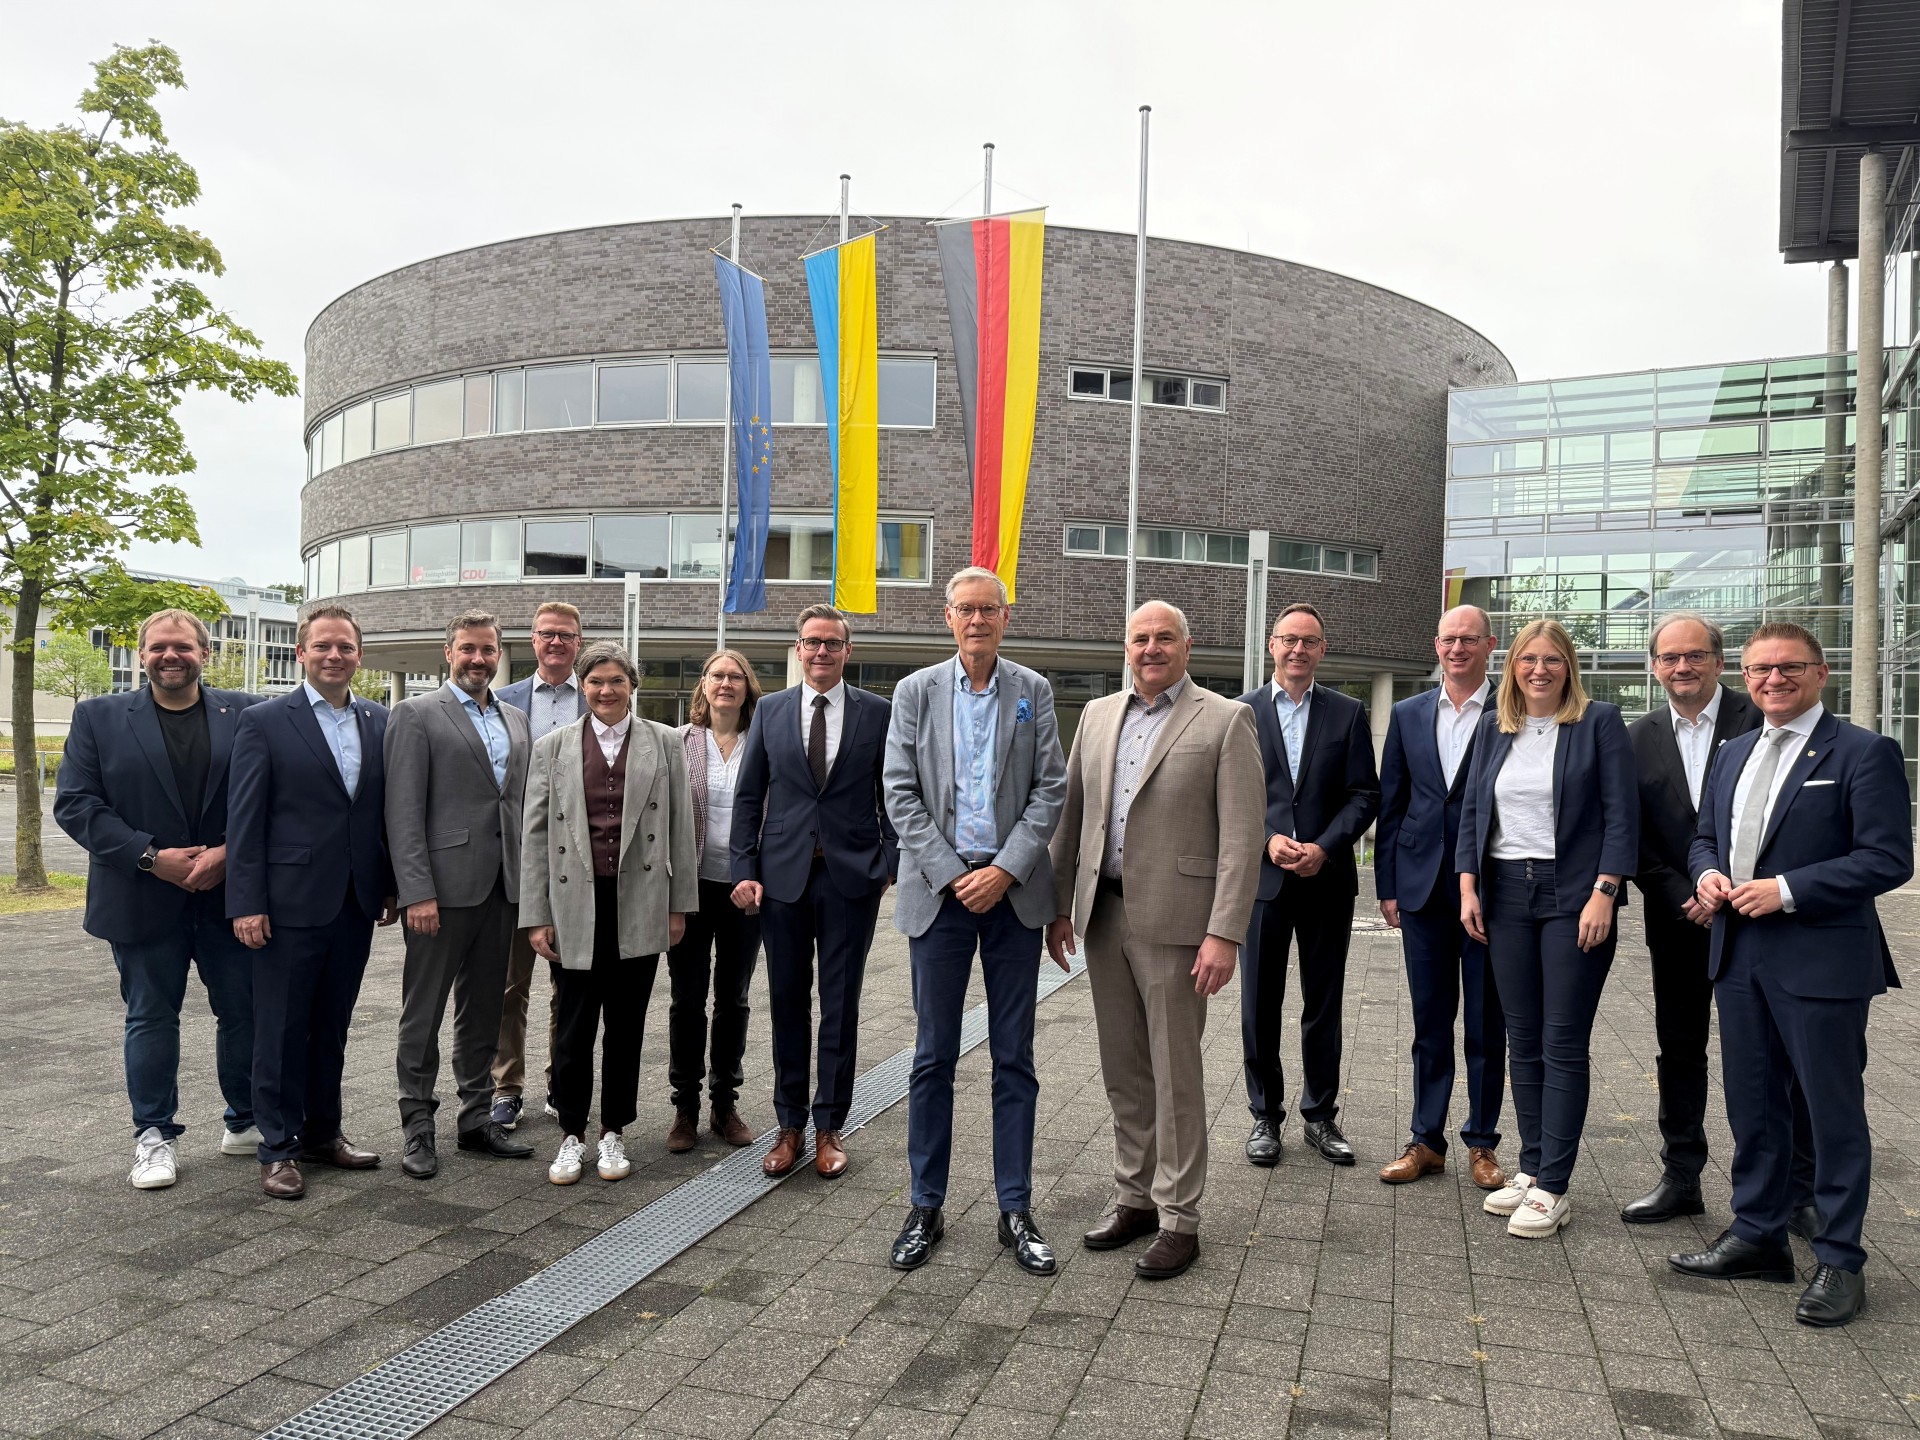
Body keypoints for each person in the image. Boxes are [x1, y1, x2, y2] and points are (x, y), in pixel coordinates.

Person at [1673, 622, 1911, 1328]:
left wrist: (1787, 888)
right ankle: (1758, 1236)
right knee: (1754, 1105)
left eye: (1788, 668)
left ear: (1821, 672)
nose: (1772, 680)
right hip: (1738, 955)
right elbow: (1704, 836)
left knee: (1830, 1114)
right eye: (1758, 670)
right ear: (1742, 677)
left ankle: (1840, 1257)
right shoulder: (1734, 751)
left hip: (1820, 960)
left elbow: (1888, 858)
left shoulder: (1865, 753)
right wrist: (1708, 872)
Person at [1047, 601, 1263, 1280]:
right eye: (1139, 637)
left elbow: (1242, 839)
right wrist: (1060, 909)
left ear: (1187, 646)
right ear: (1126, 646)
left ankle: (1179, 1218)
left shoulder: (1226, 720)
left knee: (1175, 1074)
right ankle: (1134, 1196)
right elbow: (1072, 818)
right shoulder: (1098, 716)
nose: (1151, 648)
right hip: (1104, 917)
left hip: (1178, 926)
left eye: (1163, 637)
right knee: (1124, 1072)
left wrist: (1224, 933)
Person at [882, 567, 1068, 1274]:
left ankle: (1014, 1207)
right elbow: (899, 792)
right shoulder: (915, 693)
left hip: (1013, 893)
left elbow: (1051, 788)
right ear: (948, 617)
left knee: (1014, 1057)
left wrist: (1006, 869)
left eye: (989, 608)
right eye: (966, 609)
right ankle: (925, 1204)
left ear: (1005, 617)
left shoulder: (1034, 691)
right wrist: (956, 874)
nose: (978, 619)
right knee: (932, 1057)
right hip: (941, 895)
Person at [54, 609, 263, 1189]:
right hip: (141, 897)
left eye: (184, 647)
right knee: (151, 1017)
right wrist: (152, 858)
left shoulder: (246, 713)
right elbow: (76, 804)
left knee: (244, 1013)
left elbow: (271, 795)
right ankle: (153, 1136)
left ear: (205, 652)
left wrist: (227, 852)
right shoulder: (97, 717)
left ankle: (245, 1122)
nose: (171, 656)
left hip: (228, 897)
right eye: (158, 648)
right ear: (141, 655)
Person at [1458, 618, 1635, 1239]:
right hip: (1505, 890)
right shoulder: (1494, 725)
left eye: (1552, 660)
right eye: (1528, 659)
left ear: (1569, 667)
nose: (1539, 669)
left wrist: (1604, 893)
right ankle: (1531, 1169)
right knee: (1522, 1037)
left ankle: (1555, 1184)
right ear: (1512, 667)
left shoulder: (1599, 723)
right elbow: (1475, 811)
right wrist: (1467, 886)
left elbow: (1621, 815)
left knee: (1562, 1040)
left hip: (1574, 893)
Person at [226, 605, 397, 1198]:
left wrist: (390, 885)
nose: (334, 656)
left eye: (345, 647)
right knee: (279, 1028)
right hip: (286, 902)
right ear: (301, 653)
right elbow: (244, 820)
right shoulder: (265, 721)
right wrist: (246, 901)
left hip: (354, 903)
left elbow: (380, 814)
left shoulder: (379, 720)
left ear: (359, 655)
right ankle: (277, 1147)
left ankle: (324, 1133)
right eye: (322, 646)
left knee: (332, 1026)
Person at [731, 604, 898, 1180]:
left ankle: (830, 1126)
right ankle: (790, 1126)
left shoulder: (878, 712)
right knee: (787, 1003)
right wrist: (743, 868)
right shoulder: (772, 711)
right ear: (797, 650)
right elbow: (749, 797)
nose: (821, 652)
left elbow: (894, 792)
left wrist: (891, 862)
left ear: (847, 652)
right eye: (811, 642)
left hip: (852, 879)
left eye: (832, 643)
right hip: (781, 881)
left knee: (841, 1005)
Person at [521, 642, 698, 1184]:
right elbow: (534, 835)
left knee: (626, 1025)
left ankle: (614, 1131)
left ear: (632, 685)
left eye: (616, 680)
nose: (605, 690)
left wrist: (678, 906)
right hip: (574, 903)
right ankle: (572, 1133)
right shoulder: (553, 747)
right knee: (573, 1027)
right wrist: (535, 914)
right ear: (582, 685)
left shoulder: (665, 743)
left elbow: (682, 830)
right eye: (595, 680)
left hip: (639, 902)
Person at [1621, 612, 1765, 1225]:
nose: (1682, 667)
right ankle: (1682, 1176)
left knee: (1763, 1054)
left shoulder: (1759, 717)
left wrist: (1730, 894)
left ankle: (1788, 1187)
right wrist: (1686, 893)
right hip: (1677, 916)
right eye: (1670, 658)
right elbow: (1631, 833)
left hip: (1760, 917)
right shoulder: (1638, 735)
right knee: (1679, 1050)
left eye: (1695, 656)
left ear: (1718, 661)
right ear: (1655, 667)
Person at [386, 609, 534, 1178]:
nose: (478, 659)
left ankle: (476, 1119)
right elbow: (402, 811)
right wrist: (415, 891)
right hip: (440, 895)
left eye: (488, 650)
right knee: (422, 1012)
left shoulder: (516, 719)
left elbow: (518, 805)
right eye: (468, 649)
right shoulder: (416, 714)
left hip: (503, 888)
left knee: (485, 1010)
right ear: (448, 653)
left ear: (500, 655)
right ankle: (417, 1125)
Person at [1236, 602, 1379, 1168]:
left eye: (1310, 641)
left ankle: (1320, 1116)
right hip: (1263, 880)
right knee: (1259, 1003)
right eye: (1288, 639)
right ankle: (1264, 1118)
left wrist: (1325, 846)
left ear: (1322, 650)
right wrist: (1268, 837)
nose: (1298, 650)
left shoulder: (1347, 712)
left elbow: (1364, 794)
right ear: (1272, 645)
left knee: (1323, 1002)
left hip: (1325, 879)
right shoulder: (1239, 712)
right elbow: (1230, 793)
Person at [1374, 604, 1507, 1190]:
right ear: (1436, 646)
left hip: (1490, 890)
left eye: (1469, 639)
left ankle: (1482, 1142)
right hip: (1422, 889)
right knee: (1430, 1022)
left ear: (1489, 645)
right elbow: (1392, 801)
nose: (1458, 649)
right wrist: (1386, 886)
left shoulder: (1514, 710)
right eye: (1449, 639)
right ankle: (1426, 1140)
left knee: (1485, 1023)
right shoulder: (1407, 714)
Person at [490, 601, 586, 1132]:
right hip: (515, 863)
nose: (556, 643)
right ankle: (506, 1087)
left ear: (578, 643)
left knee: (569, 983)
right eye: (547, 634)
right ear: (531, 640)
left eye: (566, 636)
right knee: (509, 984)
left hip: (576, 865)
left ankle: (561, 1080)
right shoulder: (501, 703)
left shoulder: (596, 701)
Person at [666, 649, 765, 1152]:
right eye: (716, 676)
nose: (725, 684)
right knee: (686, 1000)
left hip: (745, 890)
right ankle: (684, 1105)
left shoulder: (763, 741)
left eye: (735, 677)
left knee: (734, 998)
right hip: (690, 888)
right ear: (702, 686)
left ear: (748, 687)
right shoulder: (678, 742)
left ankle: (724, 1103)